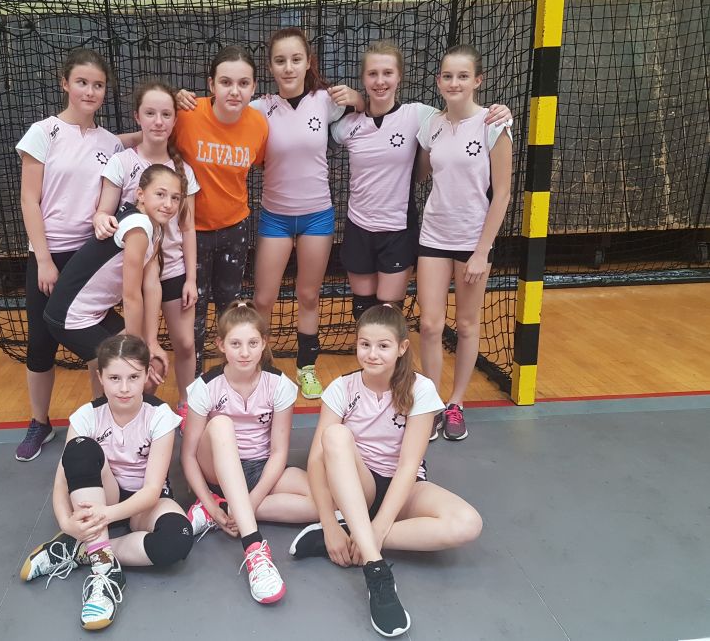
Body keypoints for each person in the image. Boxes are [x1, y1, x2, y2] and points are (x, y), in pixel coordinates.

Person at [290, 304, 482, 637]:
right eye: (365, 344)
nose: (373, 353)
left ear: (402, 347)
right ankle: (376, 571)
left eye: (383, 345)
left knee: (468, 524)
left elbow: (409, 466)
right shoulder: (341, 389)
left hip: (403, 489)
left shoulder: (420, 389)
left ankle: (356, 534)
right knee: (333, 436)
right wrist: (328, 523)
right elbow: (317, 462)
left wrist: (378, 528)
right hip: (358, 486)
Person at [19, 334, 193, 630]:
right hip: (104, 493)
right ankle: (104, 569)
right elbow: (61, 482)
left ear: (146, 375)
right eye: (114, 378)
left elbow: (152, 490)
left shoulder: (160, 416)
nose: (124, 388)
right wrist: (66, 523)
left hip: (143, 502)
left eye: (133, 377)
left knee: (178, 540)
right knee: (80, 448)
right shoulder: (86, 416)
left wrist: (106, 516)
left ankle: (82, 550)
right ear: (100, 377)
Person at [330, 40, 511, 322]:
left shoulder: (419, 115)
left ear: (399, 77)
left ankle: (391, 354)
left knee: (389, 315)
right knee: (363, 310)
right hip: (358, 227)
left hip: (399, 229)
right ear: (363, 79)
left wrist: (500, 112)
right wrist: (358, 102)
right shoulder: (348, 126)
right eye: (372, 74)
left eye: (387, 73)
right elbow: (315, 133)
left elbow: (459, 112)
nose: (380, 81)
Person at [15, 48, 125, 462]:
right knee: (41, 342)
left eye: (98, 85)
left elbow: (129, 146)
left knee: (96, 335)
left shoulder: (111, 143)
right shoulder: (43, 133)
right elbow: (29, 200)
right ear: (65, 83)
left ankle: (104, 419)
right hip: (49, 252)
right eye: (82, 82)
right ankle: (39, 422)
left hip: (90, 255)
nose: (90, 91)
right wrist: (43, 259)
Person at [248, 27, 363, 400]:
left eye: (296, 59)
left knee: (308, 295)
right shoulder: (260, 107)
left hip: (317, 216)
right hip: (275, 217)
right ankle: (261, 366)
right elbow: (219, 110)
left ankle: (307, 367)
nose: (288, 67)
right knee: (263, 299)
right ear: (270, 66)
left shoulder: (325, 101)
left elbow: (373, 107)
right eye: (280, 60)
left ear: (308, 62)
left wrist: (358, 97)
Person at [180, 300, 317, 604]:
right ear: (221, 345)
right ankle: (254, 546)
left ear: (264, 343)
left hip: (259, 467)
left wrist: (249, 502)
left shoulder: (279, 385)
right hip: (215, 469)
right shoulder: (206, 386)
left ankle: (228, 508)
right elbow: (188, 456)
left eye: (252, 343)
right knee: (221, 425)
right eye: (236, 344)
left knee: (322, 499)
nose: (244, 352)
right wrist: (206, 497)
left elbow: (279, 452)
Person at [416, 44, 513, 443]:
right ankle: (430, 404)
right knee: (429, 324)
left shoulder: (493, 125)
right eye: (447, 76)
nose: (454, 83)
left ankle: (455, 403)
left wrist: (482, 251)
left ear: (477, 81)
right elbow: (422, 174)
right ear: (438, 81)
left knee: (469, 323)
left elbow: (502, 193)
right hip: (433, 236)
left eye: (462, 76)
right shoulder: (431, 125)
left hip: (473, 241)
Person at [93, 81, 200, 422]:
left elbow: (188, 228)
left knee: (185, 343)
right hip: (134, 276)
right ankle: (126, 413)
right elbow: (104, 211)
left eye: (166, 114)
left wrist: (191, 278)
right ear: (137, 116)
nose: (158, 121)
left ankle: (186, 405)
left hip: (173, 270)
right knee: (132, 350)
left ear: (174, 120)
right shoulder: (122, 162)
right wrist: (101, 219)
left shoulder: (183, 170)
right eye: (150, 113)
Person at [171, 46, 269, 376]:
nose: (234, 91)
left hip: (234, 229)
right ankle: (194, 384)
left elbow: (262, 162)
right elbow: (153, 131)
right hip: (190, 232)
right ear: (211, 84)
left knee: (230, 309)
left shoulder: (258, 125)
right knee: (193, 309)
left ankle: (233, 378)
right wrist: (173, 97)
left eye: (243, 83)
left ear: (254, 87)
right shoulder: (186, 114)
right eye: (226, 82)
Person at [43, 164, 182, 385]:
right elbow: (131, 296)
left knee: (147, 370)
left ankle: (111, 404)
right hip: (71, 318)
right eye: (160, 194)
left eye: (175, 198)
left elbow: (152, 285)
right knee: (134, 375)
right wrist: (136, 352)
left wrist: (152, 341)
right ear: (140, 195)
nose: (168, 204)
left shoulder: (155, 228)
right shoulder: (138, 226)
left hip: (96, 312)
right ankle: (105, 406)